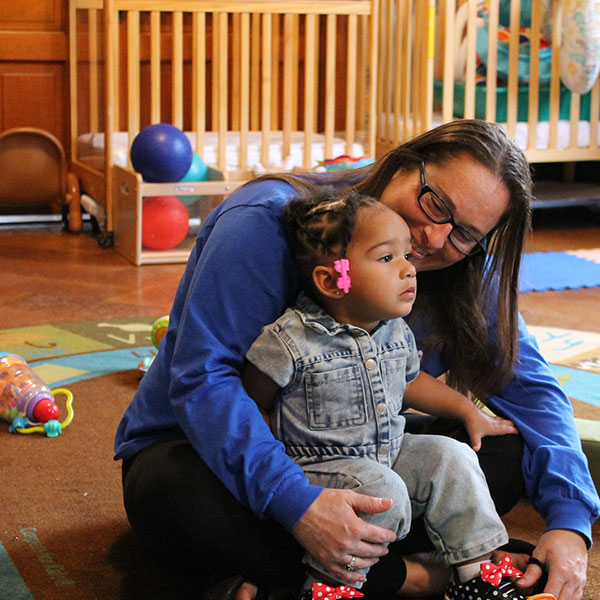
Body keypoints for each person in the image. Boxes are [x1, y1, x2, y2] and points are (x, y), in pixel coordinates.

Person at [114, 120, 600, 600]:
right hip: (204, 451)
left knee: (500, 450)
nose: (434, 237)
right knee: (172, 496)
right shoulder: (264, 221)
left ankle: (296, 575)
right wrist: (297, 503)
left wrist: (571, 524)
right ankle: (413, 577)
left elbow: (533, 389)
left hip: (363, 459)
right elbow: (205, 380)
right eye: (434, 203)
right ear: (403, 164)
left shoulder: (466, 264)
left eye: (464, 234)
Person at [241, 188, 526, 600]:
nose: (409, 269)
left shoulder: (393, 329)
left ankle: (475, 573)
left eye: (407, 256)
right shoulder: (290, 339)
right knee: (383, 492)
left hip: (386, 450)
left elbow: (410, 382)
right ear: (333, 280)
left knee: (454, 456)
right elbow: (250, 398)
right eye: (387, 258)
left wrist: (468, 412)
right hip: (316, 467)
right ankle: (328, 585)